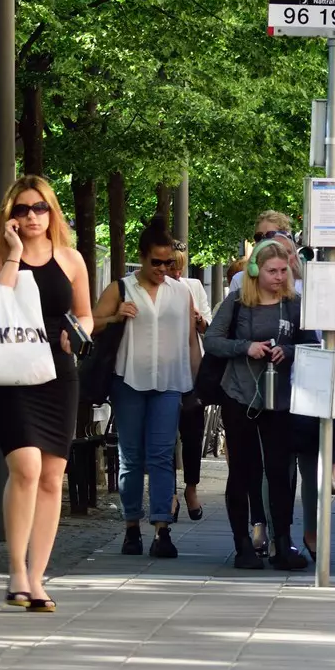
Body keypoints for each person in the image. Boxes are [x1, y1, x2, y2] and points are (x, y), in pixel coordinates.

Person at [0, 176, 91, 611]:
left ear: (52, 211)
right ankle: (17, 572)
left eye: (39, 208)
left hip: (58, 373)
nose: (31, 216)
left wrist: (79, 334)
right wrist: (16, 254)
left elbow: (84, 313)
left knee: (50, 477)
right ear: (10, 215)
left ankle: (39, 576)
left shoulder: (72, 258)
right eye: (22, 209)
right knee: (24, 466)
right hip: (11, 371)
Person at [203, 238, 313, 570]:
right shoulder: (238, 301)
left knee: (280, 472)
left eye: (283, 270)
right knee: (242, 470)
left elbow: (311, 344)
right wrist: (245, 347)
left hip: (279, 399)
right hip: (240, 396)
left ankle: (283, 542)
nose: (279, 277)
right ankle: (243, 545)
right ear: (255, 271)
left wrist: (288, 351)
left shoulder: (294, 304)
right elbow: (213, 340)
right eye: (271, 271)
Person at [91, 218, 195, 559]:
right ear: (142, 257)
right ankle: (131, 527)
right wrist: (116, 315)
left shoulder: (181, 292)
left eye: (169, 262)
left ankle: (162, 529)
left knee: (162, 456)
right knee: (131, 457)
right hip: (128, 380)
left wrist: (196, 381)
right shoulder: (122, 288)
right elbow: (89, 324)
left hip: (168, 382)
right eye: (156, 262)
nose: (163, 269)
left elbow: (190, 339)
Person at [171, 243, 209, 523]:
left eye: (179, 265)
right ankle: (168, 491)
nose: (175, 271)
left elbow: (209, 325)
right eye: (171, 265)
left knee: (193, 435)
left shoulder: (192, 287)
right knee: (164, 436)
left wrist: (200, 321)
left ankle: (191, 488)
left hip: (191, 371)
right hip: (162, 371)